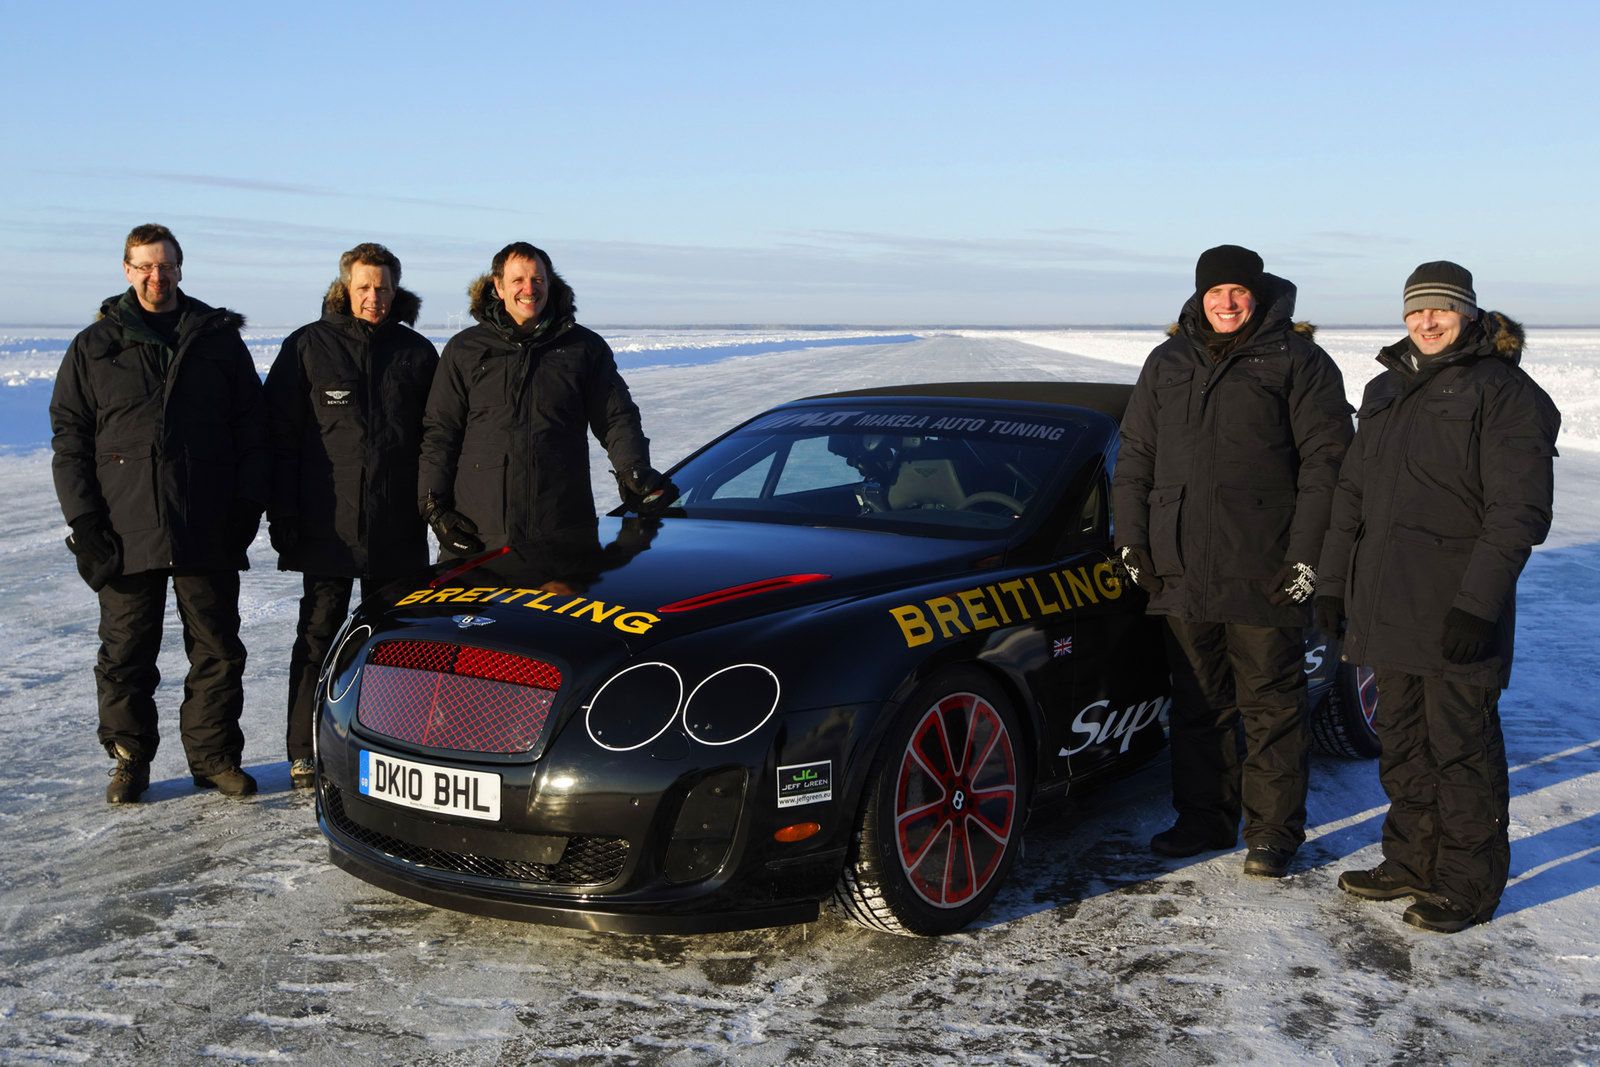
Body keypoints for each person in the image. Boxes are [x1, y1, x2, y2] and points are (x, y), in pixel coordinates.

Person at [1316, 262, 1559, 933]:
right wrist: (1334, 583)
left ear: (1469, 313)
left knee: (1461, 749)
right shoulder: (1387, 388)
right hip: (1385, 604)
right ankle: (1412, 859)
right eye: (1415, 310)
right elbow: (1352, 498)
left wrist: (1477, 605)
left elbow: (1519, 511)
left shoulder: (1504, 393)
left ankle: (1467, 885)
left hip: (1455, 609)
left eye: (1441, 310)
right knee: (1402, 741)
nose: (1426, 321)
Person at [1113, 244, 1352, 877]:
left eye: (1237, 292)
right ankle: (1203, 818)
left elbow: (1329, 466)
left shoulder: (1296, 360)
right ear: (1198, 296)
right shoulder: (1168, 361)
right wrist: (1132, 542)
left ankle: (1273, 834)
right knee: (1197, 702)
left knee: (1271, 704)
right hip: (1180, 564)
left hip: (1263, 565)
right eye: (1215, 292)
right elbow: (1135, 456)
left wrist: (1307, 559)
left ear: (1258, 294)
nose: (1226, 302)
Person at [51, 223, 268, 803]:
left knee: (218, 648)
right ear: (126, 270)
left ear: (180, 267)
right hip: (125, 526)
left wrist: (245, 507)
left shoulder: (216, 339)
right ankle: (129, 761)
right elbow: (70, 441)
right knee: (125, 652)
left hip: (206, 521)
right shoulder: (95, 346)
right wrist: (84, 523)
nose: (156, 276)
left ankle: (215, 757)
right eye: (144, 266)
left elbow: (252, 429)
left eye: (165, 265)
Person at [265, 243, 439, 789]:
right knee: (318, 636)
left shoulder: (416, 353)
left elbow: (438, 438)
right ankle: (304, 750)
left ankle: (395, 749)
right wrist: (283, 513)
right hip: (327, 525)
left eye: (383, 288)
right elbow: (278, 437)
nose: (373, 298)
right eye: (363, 287)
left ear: (396, 289)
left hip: (396, 526)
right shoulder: (307, 347)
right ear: (345, 287)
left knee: (396, 643)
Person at [419, 242, 666, 558]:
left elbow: (616, 417)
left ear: (550, 282)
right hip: (479, 533)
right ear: (498, 286)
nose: (529, 289)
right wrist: (434, 506)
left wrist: (632, 468)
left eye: (537, 279)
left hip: (561, 529)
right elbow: (440, 432)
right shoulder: (465, 350)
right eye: (518, 280)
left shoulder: (583, 348)